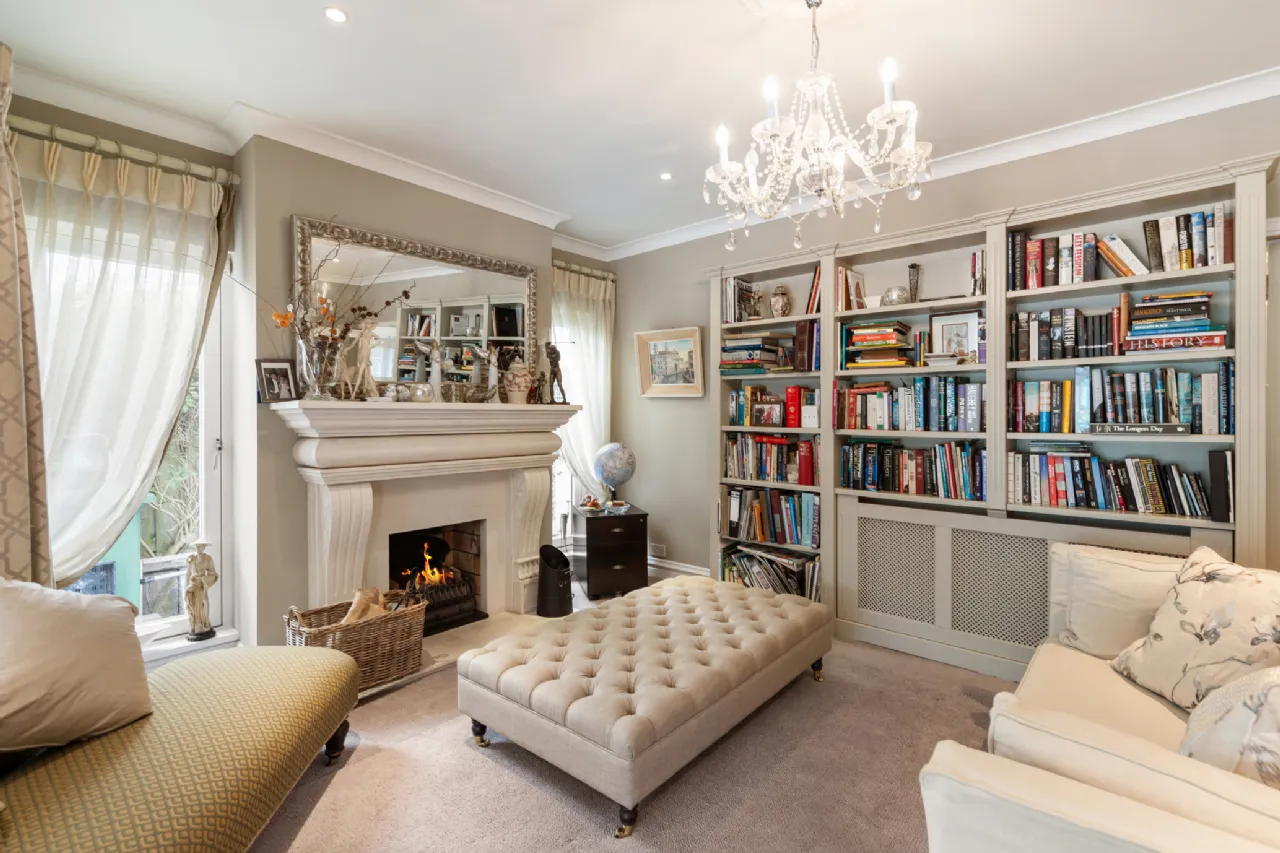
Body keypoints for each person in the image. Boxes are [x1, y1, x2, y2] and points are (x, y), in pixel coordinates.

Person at [184, 542, 218, 641]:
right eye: (199, 547)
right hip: (193, 587)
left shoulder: (208, 559)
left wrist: (203, 580)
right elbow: (188, 574)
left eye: (203, 546)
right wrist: (188, 586)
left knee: (204, 603)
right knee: (194, 606)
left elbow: (213, 573)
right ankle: (195, 625)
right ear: (196, 547)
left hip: (202, 586)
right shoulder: (192, 559)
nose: (201, 548)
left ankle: (205, 622)